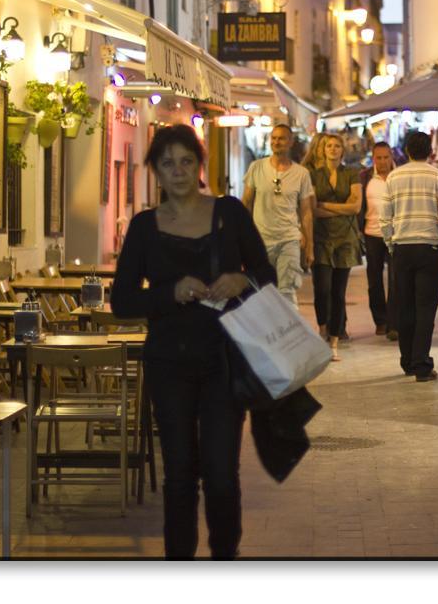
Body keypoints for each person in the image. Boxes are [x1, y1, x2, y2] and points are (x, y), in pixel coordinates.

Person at [111, 124, 276, 559]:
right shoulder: (145, 227)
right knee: (180, 475)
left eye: (186, 160)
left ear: (200, 165)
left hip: (225, 359)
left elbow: (267, 274)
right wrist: (169, 292)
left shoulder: (230, 213)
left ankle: (225, 557)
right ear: (156, 173)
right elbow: (123, 300)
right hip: (168, 363)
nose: (178, 170)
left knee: (222, 473)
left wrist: (241, 278)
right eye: (168, 163)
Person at [381, 131, 438, 382]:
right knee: (426, 309)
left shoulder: (393, 177)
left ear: (408, 151)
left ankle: (407, 361)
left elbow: (385, 217)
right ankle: (422, 364)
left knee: (405, 307)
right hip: (429, 249)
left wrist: (391, 244)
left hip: (402, 249)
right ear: (429, 152)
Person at [242, 123, 315, 306]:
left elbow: (306, 211)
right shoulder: (256, 168)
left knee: (287, 291)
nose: (276, 142)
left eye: (281, 138)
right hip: (261, 239)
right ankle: (265, 332)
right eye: (273, 138)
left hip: (288, 239)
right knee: (261, 290)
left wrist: (309, 245)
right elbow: (246, 203)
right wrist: (242, 239)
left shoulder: (301, 174)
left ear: (290, 142)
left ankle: (290, 333)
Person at [309, 132, 362, 361]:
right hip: (320, 237)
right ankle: (322, 330)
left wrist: (326, 206)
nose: (332, 149)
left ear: (342, 150)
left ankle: (334, 340)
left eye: (336, 146)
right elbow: (312, 209)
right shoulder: (312, 175)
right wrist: (342, 206)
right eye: (328, 145)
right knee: (322, 289)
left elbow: (356, 207)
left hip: (345, 239)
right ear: (322, 149)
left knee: (339, 292)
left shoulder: (351, 173)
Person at [359, 142, 397, 340]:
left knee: (395, 280)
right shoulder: (365, 177)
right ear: (373, 158)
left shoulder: (399, 175)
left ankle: (393, 323)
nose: (382, 162)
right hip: (371, 233)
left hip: (395, 233)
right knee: (374, 281)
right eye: (378, 158)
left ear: (391, 157)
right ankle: (380, 321)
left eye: (385, 157)